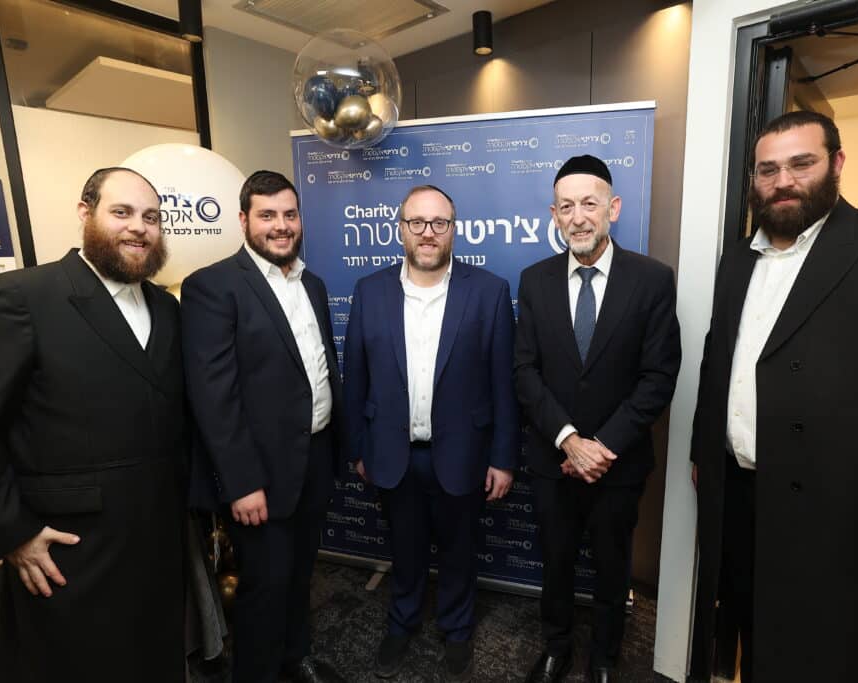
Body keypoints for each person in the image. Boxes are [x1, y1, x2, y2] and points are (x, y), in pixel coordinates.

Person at [689, 110, 858, 683]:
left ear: (836, 163)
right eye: (768, 170)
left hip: (844, 508)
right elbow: (719, 362)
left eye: (801, 164)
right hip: (740, 496)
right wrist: (702, 452)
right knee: (753, 634)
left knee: (832, 653)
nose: (783, 181)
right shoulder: (737, 258)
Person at [0, 167, 186, 682]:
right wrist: (13, 533)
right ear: (84, 213)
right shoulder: (20, 297)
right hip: (70, 549)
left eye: (151, 217)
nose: (139, 227)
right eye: (121, 212)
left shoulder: (165, 307)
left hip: (158, 538)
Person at [514, 155, 681, 683]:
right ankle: (556, 647)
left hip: (619, 464)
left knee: (612, 567)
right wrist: (568, 440)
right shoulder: (534, 280)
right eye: (566, 207)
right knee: (556, 562)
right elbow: (524, 371)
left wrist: (601, 447)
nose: (578, 217)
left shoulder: (652, 280)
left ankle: (605, 658)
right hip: (553, 461)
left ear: (614, 208)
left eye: (590, 203)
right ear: (554, 215)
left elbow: (659, 375)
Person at [343, 185, 520, 681]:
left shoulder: (489, 291)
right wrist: (358, 448)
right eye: (417, 222)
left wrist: (503, 458)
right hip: (393, 452)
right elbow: (354, 378)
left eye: (439, 223)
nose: (428, 232)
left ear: (453, 230)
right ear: (400, 229)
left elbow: (503, 384)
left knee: (460, 551)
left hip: (463, 452)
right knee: (404, 549)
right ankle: (402, 623)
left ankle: (457, 630)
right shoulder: (369, 290)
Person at [181, 170, 345, 683]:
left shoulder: (311, 283)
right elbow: (214, 396)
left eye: (289, 214)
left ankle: (296, 659)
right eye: (267, 215)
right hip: (259, 476)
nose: (281, 225)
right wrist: (241, 482)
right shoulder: (213, 286)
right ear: (243, 220)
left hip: (314, 458)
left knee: (300, 576)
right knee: (264, 587)